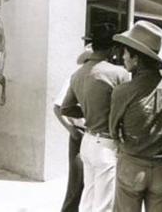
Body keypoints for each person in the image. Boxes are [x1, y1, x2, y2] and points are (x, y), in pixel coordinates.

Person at [109, 21, 162, 212]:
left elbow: (114, 131)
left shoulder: (123, 91)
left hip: (132, 164)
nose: (123, 56)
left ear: (136, 58)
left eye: (125, 52)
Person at [61, 23, 130, 212]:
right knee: (104, 205)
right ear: (113, 47)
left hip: (88, 141)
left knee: (88, 198)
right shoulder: (119, 74)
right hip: (107, 144)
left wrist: (90, 110)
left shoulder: (78, 74)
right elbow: (129, 109)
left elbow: (65, 108)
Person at [53, 44, 92, 212]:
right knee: (76, 184)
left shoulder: (102, 80)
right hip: (80, 135)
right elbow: (57, 107)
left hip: (97, 136)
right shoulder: (74, 78)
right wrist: (71, 130)